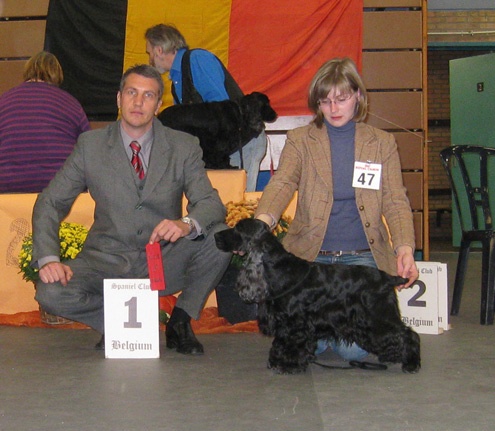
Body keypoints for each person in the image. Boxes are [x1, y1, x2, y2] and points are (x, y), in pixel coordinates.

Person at [32, 64, 231, 356]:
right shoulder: (90, 146)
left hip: (164, 258)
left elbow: (211, 204)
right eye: (131, 93)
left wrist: (186, 223)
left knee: (220, 239)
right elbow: (50, 201)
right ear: (118, 98)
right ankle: (118, 325)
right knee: (49, 291)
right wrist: (49, 259)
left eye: (148, 95)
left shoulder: (183, 146)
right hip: (105, 261)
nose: (138, 102)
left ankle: (180, 320)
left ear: (158, 105)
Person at [254, 57, 419, 361]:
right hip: (310, 258)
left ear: (358, 96)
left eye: (341, 99)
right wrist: (262, 223)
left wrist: (405, 248)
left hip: (360, 258)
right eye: (325, 101)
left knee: (353, 349)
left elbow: (395, 199)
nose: (333, 108)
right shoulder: (301, 140)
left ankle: (327, 332)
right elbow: (282, 184)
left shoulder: (381, 143)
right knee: (306, 338)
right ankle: (323, 331)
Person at [145, 23, 267, 192]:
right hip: (224, 149)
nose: (150, 58)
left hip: (242, 144)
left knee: (236, 203)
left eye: (149, 53)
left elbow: (222, 111)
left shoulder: (196, 59)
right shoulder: (178, 81)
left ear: (158, 50)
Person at [0, 51, 90, 193]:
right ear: (57, 73)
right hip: (60, 188)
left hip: (8, 188)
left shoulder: (4, 101)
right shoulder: (70, 103)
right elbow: (89, 149)